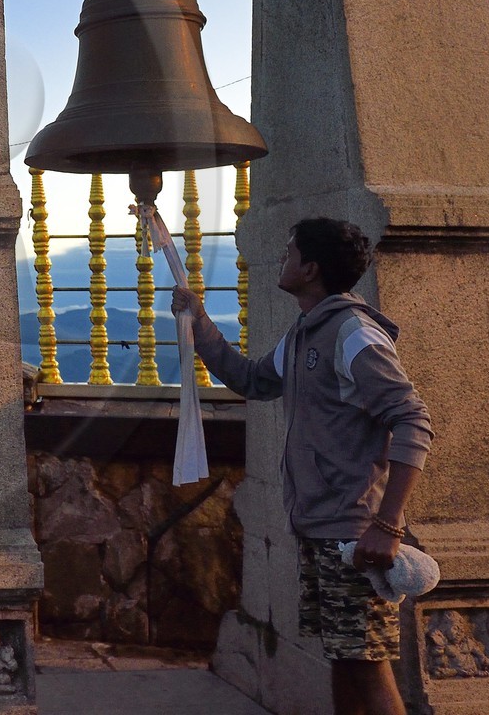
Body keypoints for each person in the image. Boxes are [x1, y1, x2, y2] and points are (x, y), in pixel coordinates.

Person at [171, 217, 431, 715]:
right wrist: (200, 322)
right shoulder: (307, 333)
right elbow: (252, 380)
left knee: (365, 663)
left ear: (309, 269)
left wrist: (387, 524)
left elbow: (412, 419)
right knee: (344, 657)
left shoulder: (353, 334)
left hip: (356, 534)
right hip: (322, 528)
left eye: (289, 252)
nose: (282, 259)